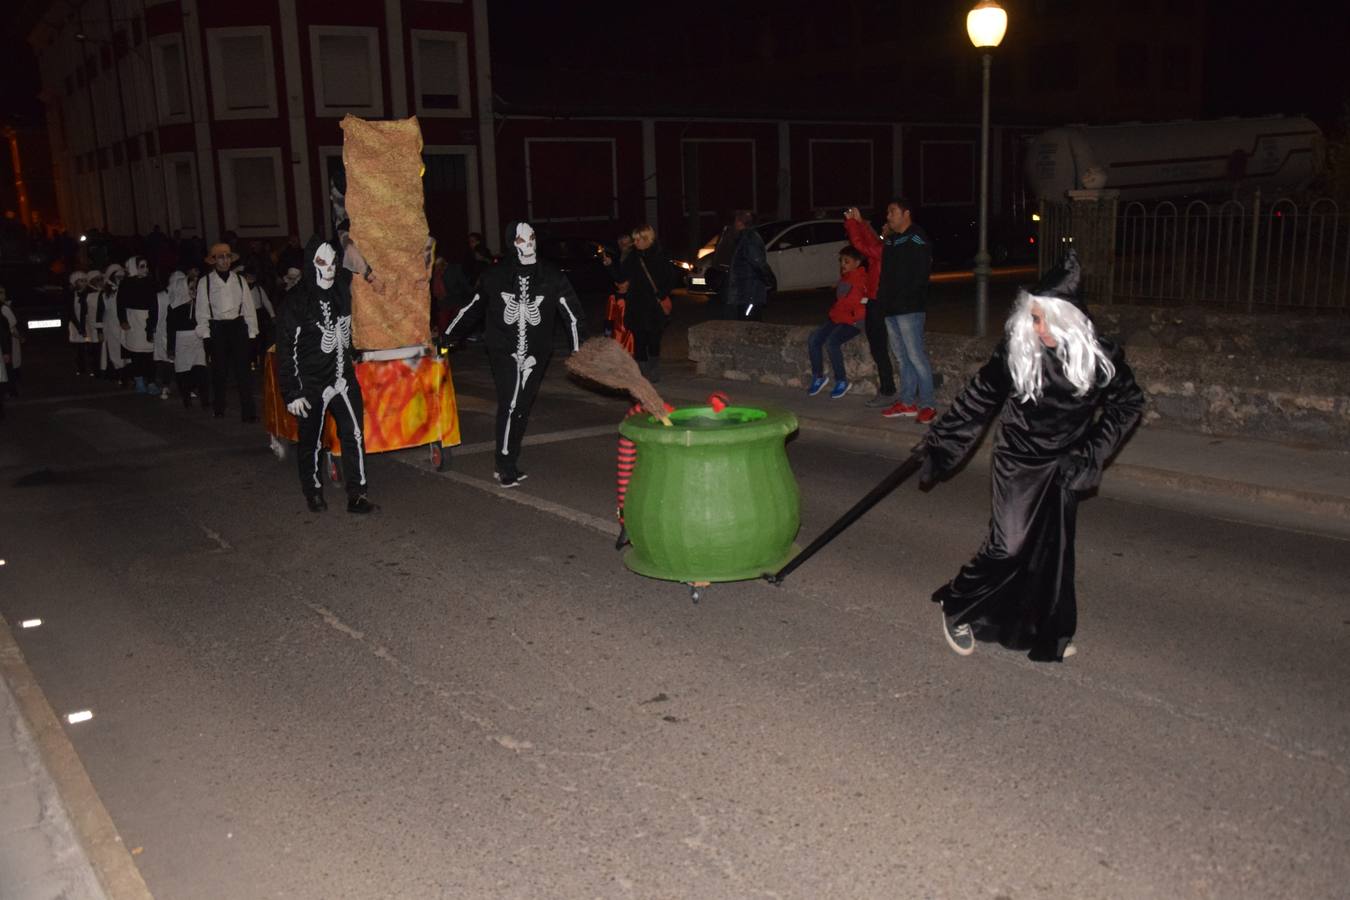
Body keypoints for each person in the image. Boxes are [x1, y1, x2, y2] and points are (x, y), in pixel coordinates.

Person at [916, 252, 1144, 662]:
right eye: (1034, 319)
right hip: (1018, 459)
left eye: (1045, 320)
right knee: (1008, 546)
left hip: (1065, 463)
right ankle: (957, 604)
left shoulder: (1100, 358)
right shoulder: (1017, 352)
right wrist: (942, 443)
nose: (1038, 329)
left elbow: (1128, 404)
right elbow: (979, 399)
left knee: (1051, 555)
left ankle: (1041, 630)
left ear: (1068, 320)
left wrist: (1091, 451)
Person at [442, 220, 585, 488]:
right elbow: (472, 307)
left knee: (522, 406)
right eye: (521, 240)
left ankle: (510, 459)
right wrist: (448, 336)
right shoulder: (495, 276)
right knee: (510, 403)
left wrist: (578, 351)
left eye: (531, 238)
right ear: (512, 244)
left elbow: (572, 313)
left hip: (536, 352)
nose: (528, 244)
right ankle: (504, 463)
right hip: (503, 349)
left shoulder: (551, 275)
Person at [275, 237, 375, 514]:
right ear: (312, 264)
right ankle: (313, 491)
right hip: (311, 381)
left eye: (333, 263)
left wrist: (355, 349)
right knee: (311, 440)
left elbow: (360, 265)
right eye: (322, 262)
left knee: (354, 433)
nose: (329, 269)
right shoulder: (296, 301)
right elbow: (286, 348)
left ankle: (358, 494)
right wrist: (292, 391)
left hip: (343, 377)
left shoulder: (341, 288)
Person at [845, 199, 935, 420]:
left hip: (909, 308)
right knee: (902, 358)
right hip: (890, 308)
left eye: (892, 212)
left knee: (916, 356)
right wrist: (885, 300)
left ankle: (928, 404)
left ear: (906, 213)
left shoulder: (916, 237)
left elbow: (921, 273)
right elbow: (882, 269)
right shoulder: (892, 241)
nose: (888, 216)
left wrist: (908, 298)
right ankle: (907, 402)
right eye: (887, 212)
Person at [194, 242, 259, 421]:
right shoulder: (205, 282)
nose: (225, 261)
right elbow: (201, 310)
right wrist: (206, 335)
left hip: (237, 326)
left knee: (243, 372)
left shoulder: (239, 280)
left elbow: (248, 307)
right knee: (219, 371)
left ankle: (248, 412)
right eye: (221, 257)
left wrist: (252, 334)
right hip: (217, 327)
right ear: (214, 260)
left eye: (227, 257)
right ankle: (219, 407)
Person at [806, 245, 869, 400]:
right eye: (841, 261)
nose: (842, 264)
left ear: (857, 262)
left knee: (832, 342)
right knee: (814, 339)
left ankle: (841, 380)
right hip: (839, 318)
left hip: (854, 321)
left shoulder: (862, 279)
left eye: (846, 261)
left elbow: (858, 303)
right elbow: (842, 303)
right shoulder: (846, 278)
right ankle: (818, 376)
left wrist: (854, 316)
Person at [617, 224, 678, 382]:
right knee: (639, 339)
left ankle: (653, 369)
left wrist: (662, 293)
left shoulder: (660, 256)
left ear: (648, 239)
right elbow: (621, 277)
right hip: (636, 305)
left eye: (639, 239)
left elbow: (671, 279)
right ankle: (643, 373)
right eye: (635, 239)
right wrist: (610, 266)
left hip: (654, 306)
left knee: (654, 339)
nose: (636, 243)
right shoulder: (632, 257)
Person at [164, 271, 209, 409]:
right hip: (181, 341)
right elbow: (170, 329)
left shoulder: (199, 304)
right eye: (191, 288)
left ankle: (205, 400)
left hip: (196, 339)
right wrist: (171, 348)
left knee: (201, 368)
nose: (194, 291)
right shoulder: (173, 307)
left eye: (195, 288)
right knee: (183, 371)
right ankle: (186, 399)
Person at [116, 255, 160, 394]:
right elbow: (120, 303)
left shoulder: (150, 282)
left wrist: (152, 323)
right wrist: (123, 320)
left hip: (147, 319)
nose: (145, 269)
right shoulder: (126, 283)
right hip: (133, 319)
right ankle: (139, 380)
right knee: (136, 353)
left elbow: (154, 304)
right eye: (142, 266)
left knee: (150, 352)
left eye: (146, 266)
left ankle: (151, 381)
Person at [724, 210, 774, 320]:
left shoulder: (749, 238)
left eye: (736, 221)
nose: (734, 224)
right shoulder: (744, 237)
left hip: (750, 291)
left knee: (750, 322)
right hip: (745, 291)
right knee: (746, 321)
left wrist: (768, 279)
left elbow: (758, 262)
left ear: (740, 222)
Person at [604, 278, 635, 356]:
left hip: (631, 331)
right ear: (616, 284)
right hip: (618, 332)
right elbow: (609, 317)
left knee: (630, 354)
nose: (625, 284)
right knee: (617, 354)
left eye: (626, 281)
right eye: (622, 282)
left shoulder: (633, 295)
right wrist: (607, 333)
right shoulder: (613, 297)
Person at [0, 288, 21, 396]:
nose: (4, 295)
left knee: (8, 368)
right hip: (6, 343)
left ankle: (11, 390)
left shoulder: (4, 308)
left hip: (6, 343)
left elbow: (8, 328)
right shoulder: (3, 308)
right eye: (2, 293)